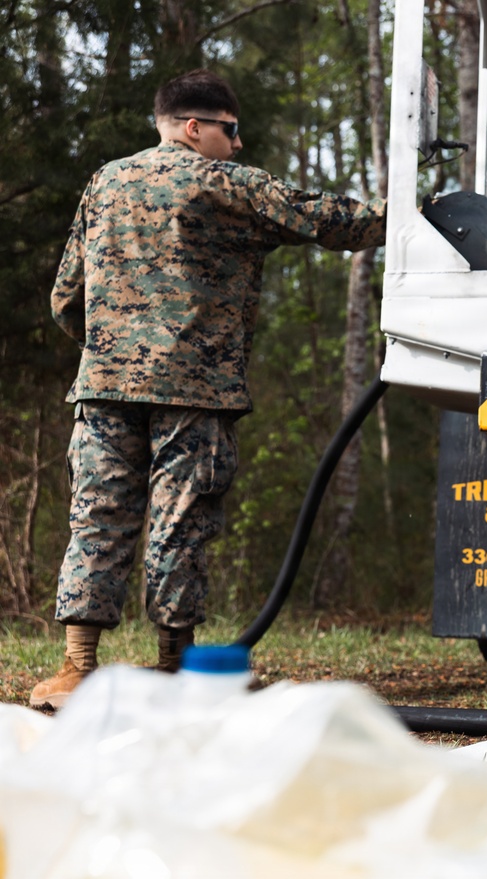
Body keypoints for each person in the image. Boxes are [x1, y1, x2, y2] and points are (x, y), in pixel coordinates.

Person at [31, 69, 386, 710]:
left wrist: (111, 348)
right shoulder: (225, 183)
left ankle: (76, 670)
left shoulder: (105, 183)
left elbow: (65, 297)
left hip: (104, 388)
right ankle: (177, 672)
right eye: (231, 130)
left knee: (97, 518)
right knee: (181, 524)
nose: (239, 144)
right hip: (195, 393)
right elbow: (332, 222)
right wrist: (411, 218)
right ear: (194, 128)